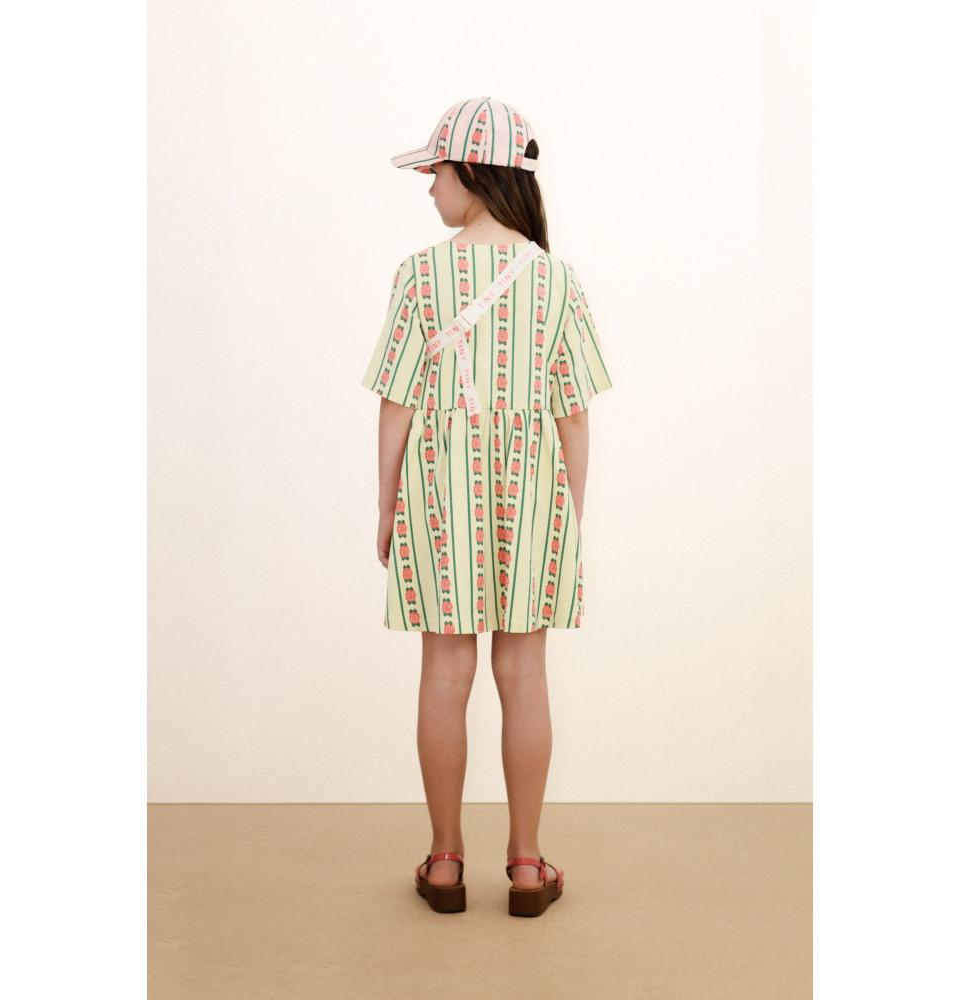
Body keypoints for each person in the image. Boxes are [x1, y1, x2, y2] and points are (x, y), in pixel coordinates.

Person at [360, 97, 613, 916]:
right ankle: (528, 866)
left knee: (444, 670)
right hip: (534, 489)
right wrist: (569, 510)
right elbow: (574, 412)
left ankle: (444, 863)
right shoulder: (556, 279)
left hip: (439, 488)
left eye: (435, 171)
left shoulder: (419, 274)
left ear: (472, 172)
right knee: (525, 674)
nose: (429, 186)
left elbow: (397, 401)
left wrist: (387, 502)